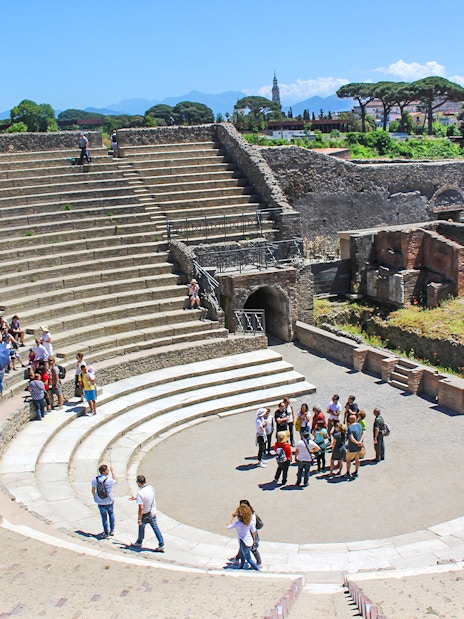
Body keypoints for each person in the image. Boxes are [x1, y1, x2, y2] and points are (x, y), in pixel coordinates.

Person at [129, 474, 164, 551]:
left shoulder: (140, 493)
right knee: (155, 528)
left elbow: (141, 507)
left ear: (139, 483)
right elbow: (148, 498)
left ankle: (139, 542)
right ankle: (161, 544)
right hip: (152, 512)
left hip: (145, 514)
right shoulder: (151, 488)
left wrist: (139, 518)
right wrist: (136, 498)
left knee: (141, 528)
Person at [228, 499, 263, 567]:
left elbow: (252, 527)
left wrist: (254, 539)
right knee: (242, 546)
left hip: (250, 533)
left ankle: (259, 562)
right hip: (247, 533)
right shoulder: (248, 513)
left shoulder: (251, 515)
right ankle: (237, 558)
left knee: (253, 548)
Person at [91, 464, 117, 539]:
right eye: (107, 470)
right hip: (109, 501)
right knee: (111, 514)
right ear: (104, 471)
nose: (108, 471)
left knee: (104, 517)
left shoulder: (95, 479)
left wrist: (95, 497)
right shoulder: (109, 480)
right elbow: (116, 481)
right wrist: (113, 472)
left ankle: (106, 532)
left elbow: (93, 489)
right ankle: (112, 530)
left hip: (100, 501)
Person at [345, 413, 365, 479]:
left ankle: (348, 472)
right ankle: (356, 471)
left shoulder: (350, 428)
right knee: (357, 459)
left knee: (348, 460)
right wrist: (360, 442)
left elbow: (351, 438)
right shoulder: (359, 425)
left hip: (352, 447)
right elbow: (363, 433)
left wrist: (357, 443)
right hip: (359, 447)